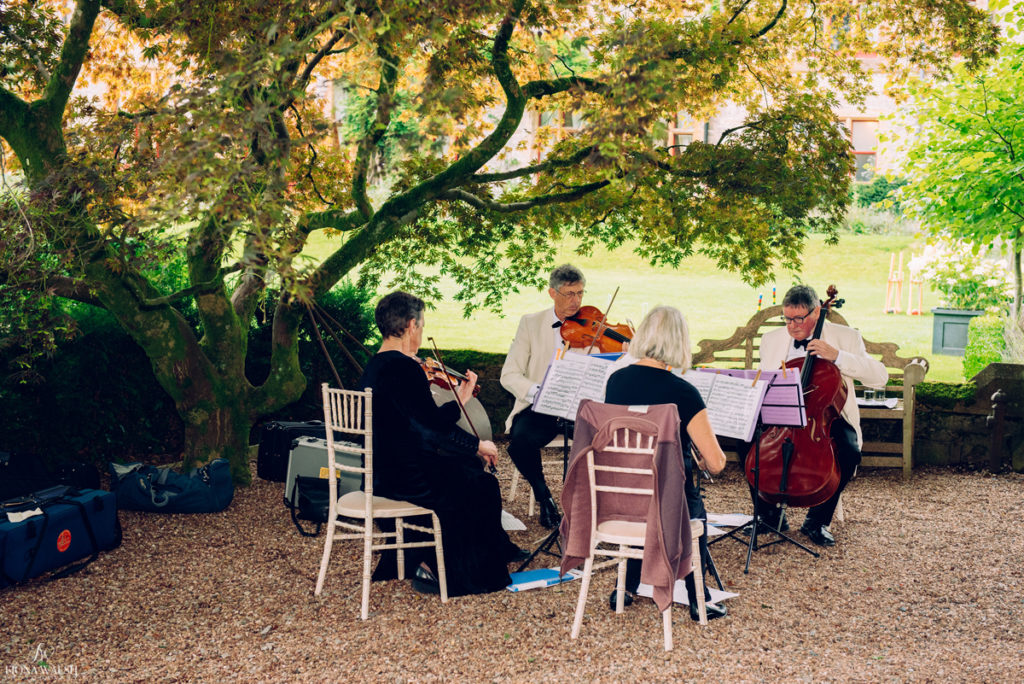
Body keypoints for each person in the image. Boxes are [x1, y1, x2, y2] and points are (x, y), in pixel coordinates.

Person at [358, 291, 527, 596]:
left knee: (467, 468)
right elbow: (429, 432)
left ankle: (494, 551)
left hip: (383, 471)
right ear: (411, 325)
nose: (421, 332)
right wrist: (478, 445)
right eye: (421, 325)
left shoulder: (375, 366)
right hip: (407, 480)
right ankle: (456, 570)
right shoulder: (404, 368)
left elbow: (422, 420)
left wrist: (459, 399)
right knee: (479, 482)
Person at [602, 305, 729, 621]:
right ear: (679, 343)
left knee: (646, 487)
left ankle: (626, 586)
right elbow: (715, 463)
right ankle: (699, 597)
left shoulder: (616, 382)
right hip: (668, 504)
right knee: (691, 505)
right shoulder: (683, 392)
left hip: (624, 494)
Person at [752, 284, 888, 547]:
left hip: (826, 417)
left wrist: (836, 355)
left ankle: (817, 521)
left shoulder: (846, 337)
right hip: (782, 414)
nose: (792, 326)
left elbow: (880, 377)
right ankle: (770, 517)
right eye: (787, 318)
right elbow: (763, 378)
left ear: (816, 312)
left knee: (849, 451)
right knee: (748, 441)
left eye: (798, 319)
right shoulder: (771, 340)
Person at [500, 264, 587, 529]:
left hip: (579, 407)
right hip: (540, 406)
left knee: (607, 439)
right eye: (569, 294)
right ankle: (545, 497)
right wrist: (538, 391)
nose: (576, 301)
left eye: (581, 293)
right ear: (552, 293)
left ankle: (591, 506)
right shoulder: (530, 323)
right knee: (520, 440)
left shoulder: (592, 325)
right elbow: (509, 374)